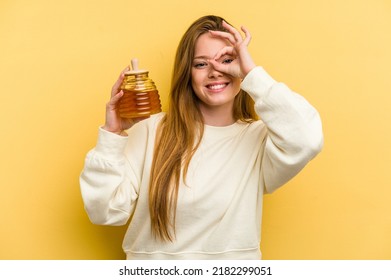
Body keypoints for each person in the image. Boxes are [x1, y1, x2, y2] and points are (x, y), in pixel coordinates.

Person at [80, 15, 323, 260]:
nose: (216, 72)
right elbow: (105, 211)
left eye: (227, 60)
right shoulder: (150, 130)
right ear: (187, 73)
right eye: (201, 64)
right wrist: (112, 135)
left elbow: (308, 139)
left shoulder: (259, 140)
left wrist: (252, 73)